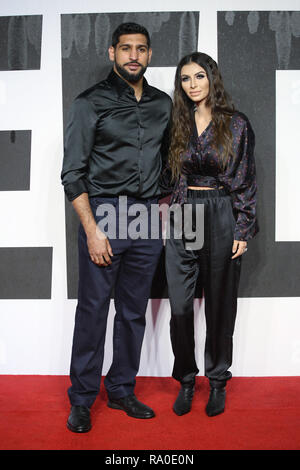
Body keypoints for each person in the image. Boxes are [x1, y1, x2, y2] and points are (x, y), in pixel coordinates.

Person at [61, 22, 172, 432]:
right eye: (125, 48)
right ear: (112, 53)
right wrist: (91, 229)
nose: (133, 56)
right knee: (92, 310)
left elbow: (169, 160)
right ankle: (83, 399)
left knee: (132, 312)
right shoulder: (89, 103)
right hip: (104, 214)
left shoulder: (163, 104)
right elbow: (72, 172)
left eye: (141, 49)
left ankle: (123, 388)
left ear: (149, 54)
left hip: (145, 218)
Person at [163, 52, 258, 417]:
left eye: (199, 76)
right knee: (180, 305)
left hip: (220, 213)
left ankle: (217, 381)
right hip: (184, 214)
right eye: (185, 79)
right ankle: (187, 380)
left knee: (219, 305)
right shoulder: (178, 124)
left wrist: (242, 227)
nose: (192, 85)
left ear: (212, 78)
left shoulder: (235, 124)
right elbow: (168, 176)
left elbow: (246, 179)